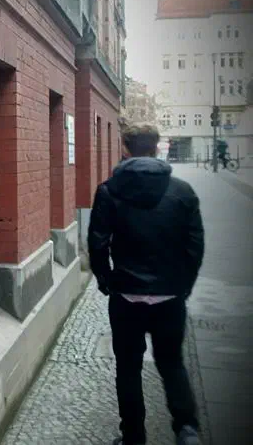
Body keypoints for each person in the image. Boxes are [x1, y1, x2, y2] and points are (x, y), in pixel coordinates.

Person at [88, 123, 204, 445]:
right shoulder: (182, 192)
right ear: (156, 148)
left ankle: (134, 438)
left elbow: (97, 243)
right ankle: (187, 428)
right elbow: (195, 246)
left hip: (127, 295)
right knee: (171, 362)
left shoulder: (109, 191)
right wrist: (184, 285)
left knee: (128, 368)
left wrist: (106, 281)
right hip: (169, 297)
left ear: (125, 148)